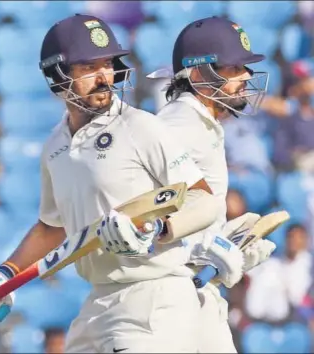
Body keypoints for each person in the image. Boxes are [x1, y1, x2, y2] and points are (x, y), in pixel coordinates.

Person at [0, 14, 246, 353]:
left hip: (154, 297)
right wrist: (4, 274)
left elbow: (204, 200)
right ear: (57, 76)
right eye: (88, 68)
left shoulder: (140, 127)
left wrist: (158, 229)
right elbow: (53, 227)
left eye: (107, 64)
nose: (104, 76)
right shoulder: (55, 148)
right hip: (98, 300)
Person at [147, 16, 278, 353]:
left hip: (194, 294)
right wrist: (198, 253)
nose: (246, 76)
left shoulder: (200, 123)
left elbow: (186, 209)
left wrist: (224, 245)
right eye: (233, 67)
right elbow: (141, 215)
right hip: (169, 300)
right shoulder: (179, 124)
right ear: (197, 74)